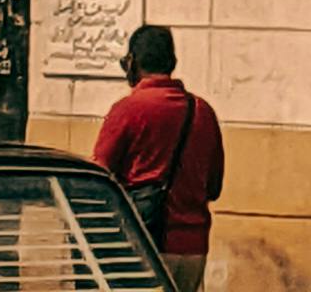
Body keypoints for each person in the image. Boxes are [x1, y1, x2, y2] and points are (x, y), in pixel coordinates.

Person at [96, 24, 226, 291]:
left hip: (143, 244)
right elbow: (214, 188)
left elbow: (99, 180)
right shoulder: (203, 112)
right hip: (193, 250)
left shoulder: (127, 110)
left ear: (132, 63)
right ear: (173, 62)